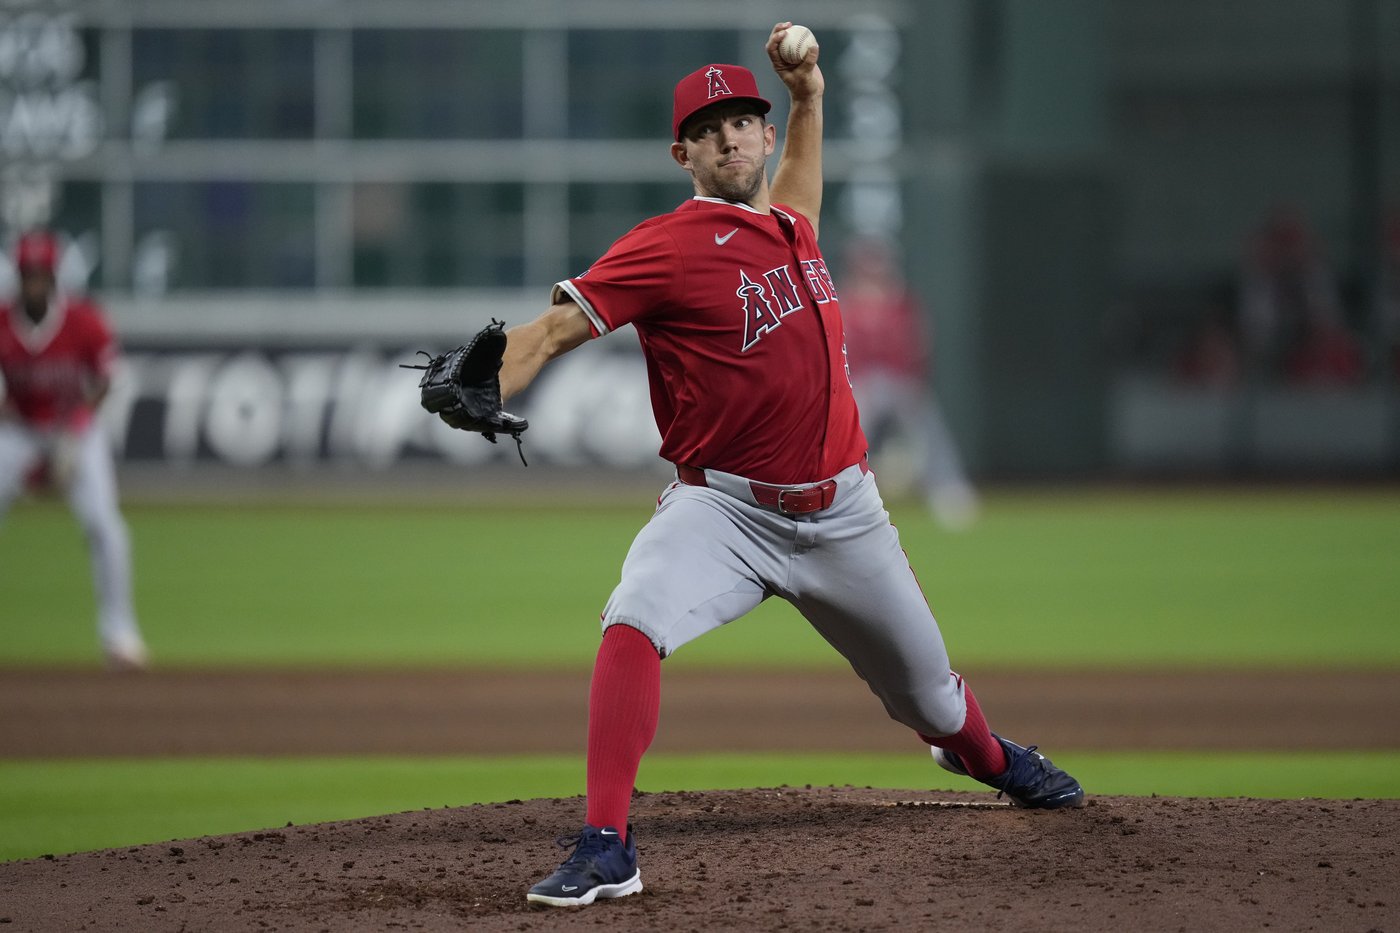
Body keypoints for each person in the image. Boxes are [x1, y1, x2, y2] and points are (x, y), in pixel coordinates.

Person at [493, 25, 1084, 909]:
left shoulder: (792, 228)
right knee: (634, 614)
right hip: (723, 513)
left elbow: (803, 181)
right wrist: (491, 376)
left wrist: (807, 95)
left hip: (846, 513)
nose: (732, 136)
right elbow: (553, 327)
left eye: (745, 120)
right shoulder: (666, 245)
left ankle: (993, 759)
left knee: (933, 700)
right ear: (683, 152)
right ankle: (607, 843)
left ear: (765, 138)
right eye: (711, 127)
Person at [0, 229, 148, 671]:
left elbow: (105, 380)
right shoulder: (3, 321)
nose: (35, 284)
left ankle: (120, 634)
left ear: (55, 276)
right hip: (18, 430)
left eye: (42, 274)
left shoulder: (83, 319)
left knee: (107, 527)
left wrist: (70, 434)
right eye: (28, 274)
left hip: (74, 428)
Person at [839, 234, 980, 529]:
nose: (873, 268)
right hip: (861, 385)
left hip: (899, 382)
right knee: (846, 429)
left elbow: (918, 347)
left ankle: (948, 490)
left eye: (878, 262)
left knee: (926, 423)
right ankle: (840, 496)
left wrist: (914, 382)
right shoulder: (844, 300)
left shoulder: (902, 301)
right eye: (868, 262)